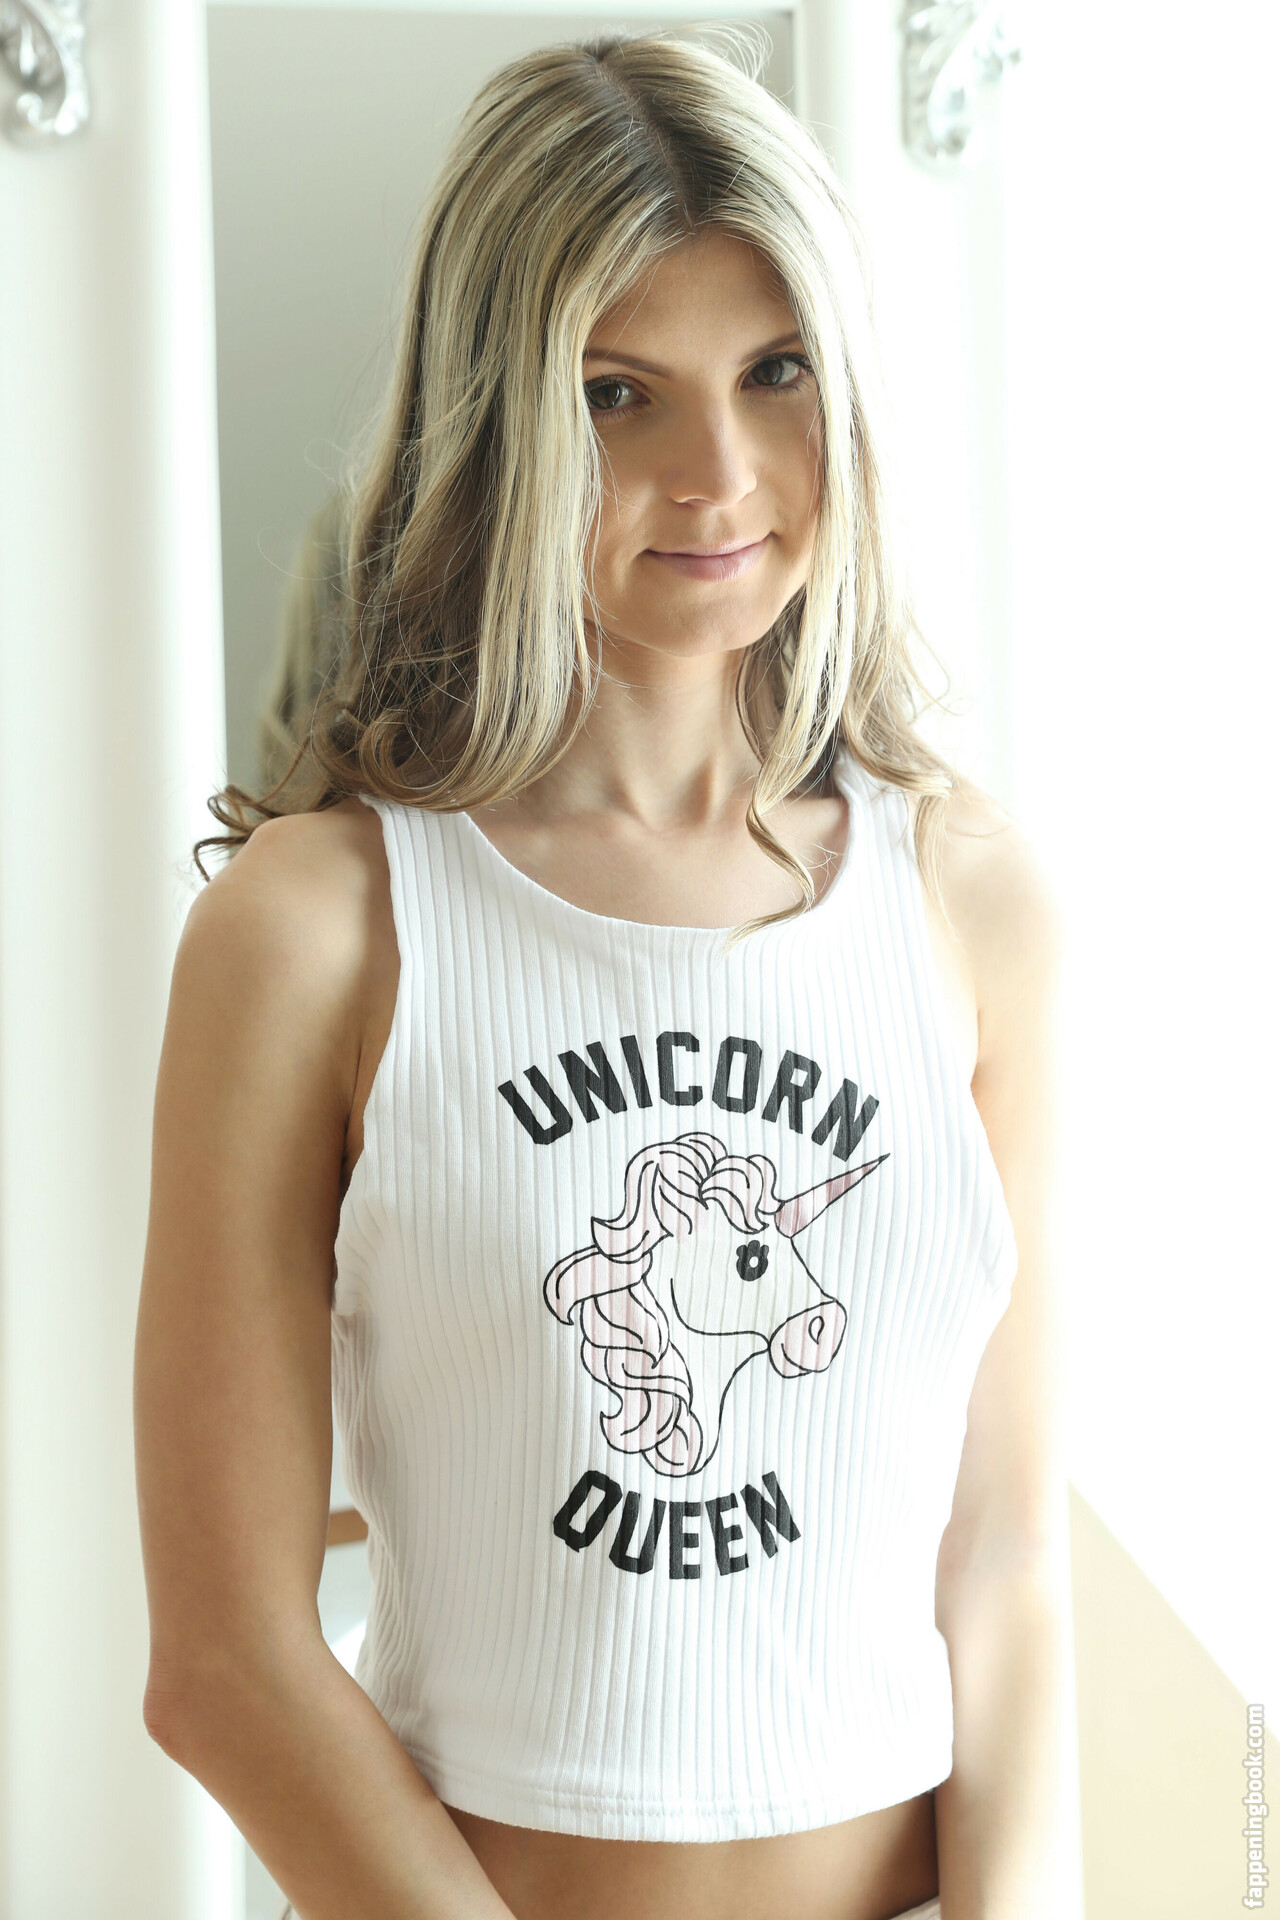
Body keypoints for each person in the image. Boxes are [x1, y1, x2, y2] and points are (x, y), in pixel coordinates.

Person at [134, 29, 1075, 1920]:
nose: (718, 475)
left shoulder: (969, 901)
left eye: (777, 372)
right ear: (498, 425)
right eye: (618, 394)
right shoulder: (318, 931)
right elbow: (223, 1661)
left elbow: (1002, 1563)